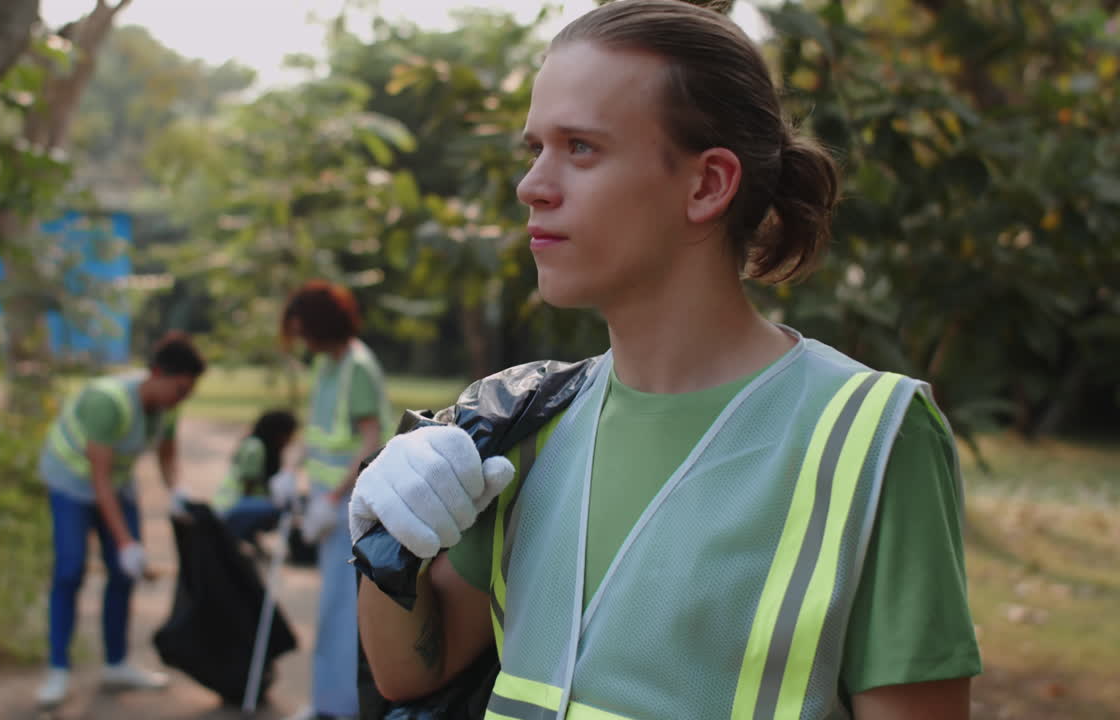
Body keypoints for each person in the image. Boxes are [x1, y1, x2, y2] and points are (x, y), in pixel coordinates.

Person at [351, 2, 982, 719]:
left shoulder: (873, 436)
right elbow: (408, 672)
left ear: (708, 184)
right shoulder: (526, 423)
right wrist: (386, 535)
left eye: (580, 147)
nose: (532, 185)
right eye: (535, 149)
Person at [35, 331, 205, 707]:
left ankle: (116, 662)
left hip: (116, 484)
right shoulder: (107, 401)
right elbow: (99, 482)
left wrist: (176, 490)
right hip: (71, 482)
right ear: (157, 373)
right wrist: (126, 541)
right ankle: (58, 670)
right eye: (179, 389)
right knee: (69, 569)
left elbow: (166, 456)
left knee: (123, 572)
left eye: (188, 392)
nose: (182, 398)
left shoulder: (167, 406)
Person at [282, 280, 391, 720]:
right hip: (329, 505)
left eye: (302, 330)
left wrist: (329, 498)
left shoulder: (357, 367)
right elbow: (317, 432)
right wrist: (289, 472)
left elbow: (370, 441)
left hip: (352, 510)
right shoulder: (326, 365)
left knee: (344, 613)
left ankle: (344, 707)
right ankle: (326, 703)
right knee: (329, 609)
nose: (301, 340)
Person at [211, 409, 300, 544]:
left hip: (238, 504)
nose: (291, 439)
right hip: (230, 506)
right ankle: (240, 539)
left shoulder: (265, 448)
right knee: (281, 508)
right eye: (289, 434)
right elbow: (248, 489)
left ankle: (246, 540)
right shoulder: (255, 448)